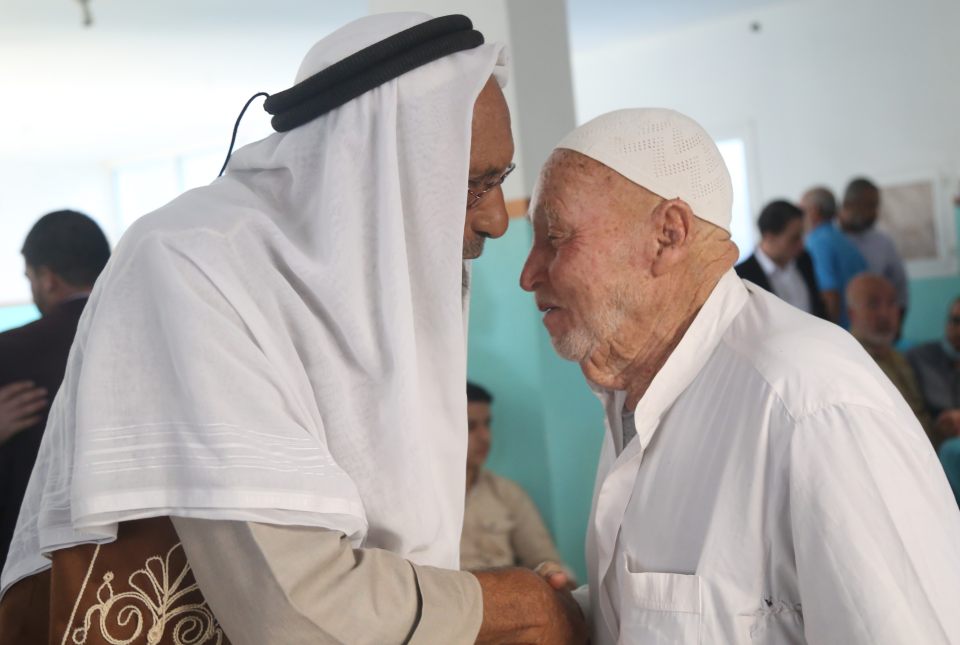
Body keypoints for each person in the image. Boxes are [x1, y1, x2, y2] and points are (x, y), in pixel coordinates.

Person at [0, 14, 585, 645]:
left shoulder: (367, 291)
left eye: (500, 182)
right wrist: (515, 606)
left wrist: (489, 603)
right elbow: (291, 610)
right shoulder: (192, 262)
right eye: (473, 186)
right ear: (370, 169)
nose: (497, 221)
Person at [521, 108, 960, 644]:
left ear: (668, 235)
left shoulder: (809, 402)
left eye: (555, 237)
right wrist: (569, 616)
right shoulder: (636, 392)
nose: (528, 274)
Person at [0, 210, 110, 574]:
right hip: (144, 553)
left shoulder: (9, 353)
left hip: (36, 569)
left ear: (47, 280)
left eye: (29, 277)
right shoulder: (153, 338)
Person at [461, 382, 570, 576]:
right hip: (446, 594)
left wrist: (556, 578)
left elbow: (545, 560)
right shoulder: (422, 499)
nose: (485, 437)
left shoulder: (506, 493)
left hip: (504, 594)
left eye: (487, 424)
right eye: (471, 426)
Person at [846, 273, 935, 442]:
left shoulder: (901, 358)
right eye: (873, 304)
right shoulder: (848, 363)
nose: (884, 313)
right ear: (852, 314)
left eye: (892, 303)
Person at [734, 199, 827, 318]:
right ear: (769, 238)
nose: (801, 244)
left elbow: (818, 306)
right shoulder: (741, 277)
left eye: (802, 236)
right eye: (794, 238)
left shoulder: (804, 259)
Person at [840, 177, 910, 320]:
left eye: (876, 206)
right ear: (848, 204)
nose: (874, 213)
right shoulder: (828, 241)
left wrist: (896, 323)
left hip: (875, 324)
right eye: (869, 206)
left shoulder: (882, 242)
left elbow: (900, 286)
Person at [799, 186, 867, 326]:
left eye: (801, 210)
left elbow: (829, 294)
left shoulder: (817, 243)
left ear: (814, 210)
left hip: (841, 329)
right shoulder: (844, 239)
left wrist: (829, 332)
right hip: (858, 326)